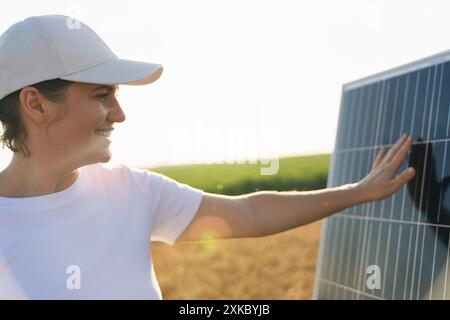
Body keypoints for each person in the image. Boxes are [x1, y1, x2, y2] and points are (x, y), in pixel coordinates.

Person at [0, 15, 416, 300]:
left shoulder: (131, 190)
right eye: (101, 94)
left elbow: (251, 213)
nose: (120, 113)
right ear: (36, 105)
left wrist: (357, 192)